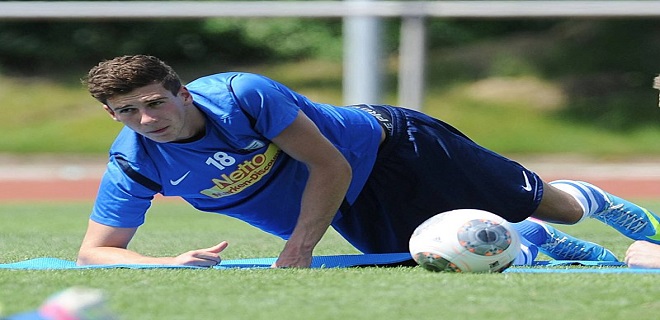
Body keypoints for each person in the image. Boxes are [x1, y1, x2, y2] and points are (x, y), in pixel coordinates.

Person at [77, 54, 657, 268]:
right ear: (113, 116)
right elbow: (95, 251)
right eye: (128, 111)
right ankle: (532, 242)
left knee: (559, 209)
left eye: (156, 102)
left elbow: (329, 166)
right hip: (343, 202)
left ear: (182, 94)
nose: (148, 119)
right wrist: (168, 262)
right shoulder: (133, 161)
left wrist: (298, 250)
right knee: (447, 260)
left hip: (393, 147)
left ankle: (583, 201)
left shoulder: (242, 95)